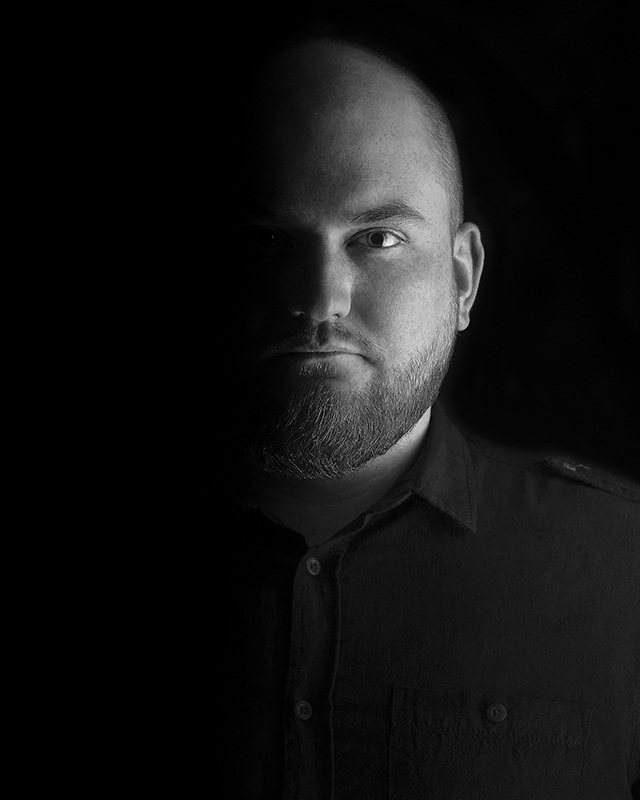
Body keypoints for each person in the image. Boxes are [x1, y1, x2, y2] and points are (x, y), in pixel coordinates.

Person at [214, 35, 640, 799]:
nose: (319, 301)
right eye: (265, 240)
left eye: (378, 239)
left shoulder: (624, 568)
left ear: (463, 277)